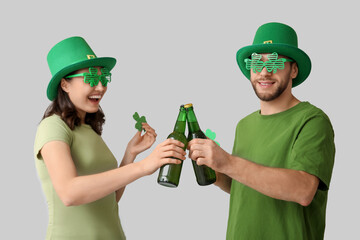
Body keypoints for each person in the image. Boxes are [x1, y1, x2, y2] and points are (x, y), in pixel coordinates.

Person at [188, 22, 335, 239]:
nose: (264, 72)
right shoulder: (244, 125)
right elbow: (242, 186)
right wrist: (214, 168)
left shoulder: (312, 120)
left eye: (275, 61)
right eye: (257, 62)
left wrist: (228, 161)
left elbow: (303, 190)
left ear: (294, 69)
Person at [34, 36, 186, 240]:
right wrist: (143, 167)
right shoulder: (52, 127)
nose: (100, 86)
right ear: (65, 84)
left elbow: (110, 198)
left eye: (104, 78)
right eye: (90, 79)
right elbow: (70, 193)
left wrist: (130, 154)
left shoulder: (88, 129)